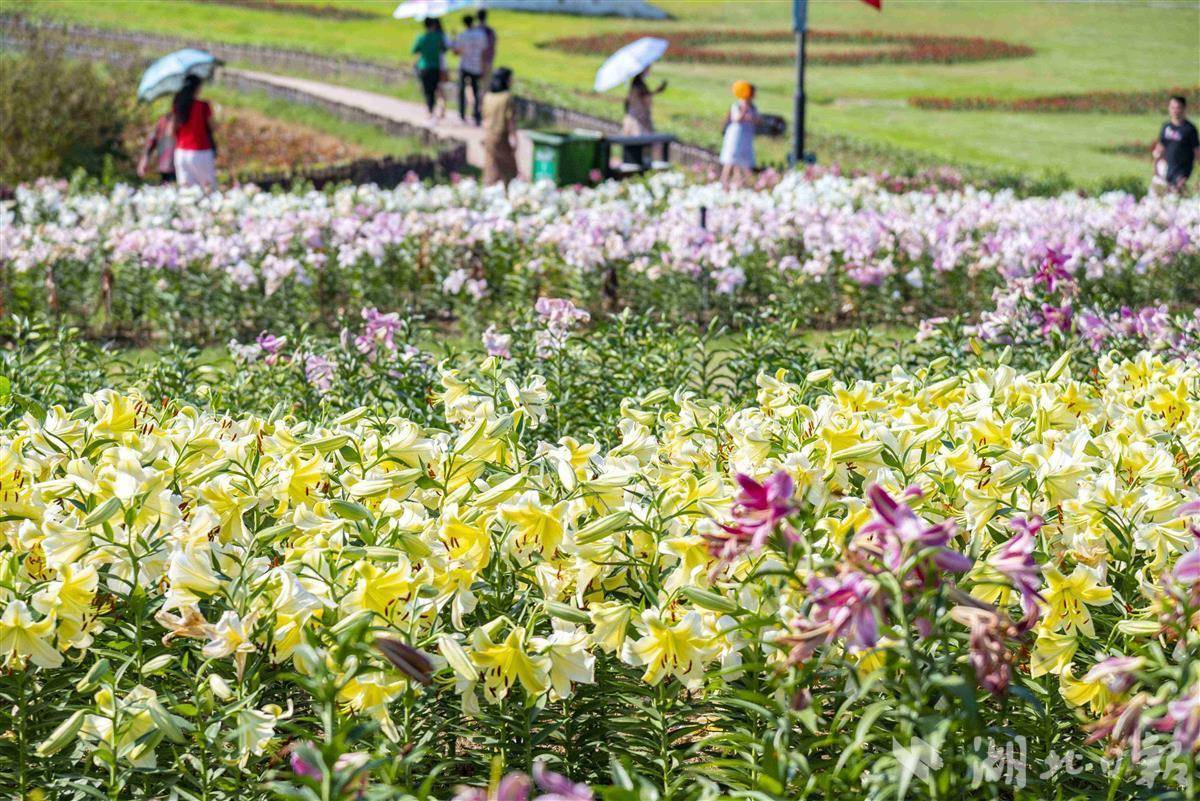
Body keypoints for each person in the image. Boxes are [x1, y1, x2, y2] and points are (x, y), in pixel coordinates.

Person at [171, 75, 217, 190]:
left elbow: (172, 129)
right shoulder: (203, 106)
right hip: (200, 151)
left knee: (186, 192)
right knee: (208, 189)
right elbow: (213, 127)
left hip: (181, 152)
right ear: (197, 88)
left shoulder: (178, 105)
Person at [1153, 95, 1199, 192]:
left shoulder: (1189, 129)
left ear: (1183, 109)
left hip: (1183, 168)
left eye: (1177, 108)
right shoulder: (1166, 127)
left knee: (1179, 190)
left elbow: (1197, 151)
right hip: (1168, 167)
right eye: (1172, 108)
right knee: (1165, 193)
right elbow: (1161, 146)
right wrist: (1156, 166)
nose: (1175, 110)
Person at [481, 67, 517, 186]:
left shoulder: (488, 96)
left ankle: (489, 189)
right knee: (508, 169)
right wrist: (514, 138)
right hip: (501, 136)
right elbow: (509, 119)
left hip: (488, 135)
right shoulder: (507, 97)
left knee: (491, 166)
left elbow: (484, 117)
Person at [720, 81, 758, 188]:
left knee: (744, 160)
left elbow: (758, 120)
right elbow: (736, 119)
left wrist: (752, 118)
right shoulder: (737, 105)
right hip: (736, 136)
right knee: (731, 158)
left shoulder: (753, 107)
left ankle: (741, 182)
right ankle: (724, 182)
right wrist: (744, 111)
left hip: (746, 136)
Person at [452, 14, 488, 125]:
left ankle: (462, 114)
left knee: (462, 90)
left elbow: (456, 52)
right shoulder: (481, 35)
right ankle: (477, 116)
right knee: (476, 92)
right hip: (477, 66)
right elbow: (484, 52)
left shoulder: (462, 35)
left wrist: (454, 39)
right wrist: (483, 68)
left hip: (465, 66)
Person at [412, 16, 447, 121]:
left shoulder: (421, 37)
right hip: (436, 67)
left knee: (427, 91)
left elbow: (414, 50)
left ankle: (430, 111)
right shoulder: (439, 37)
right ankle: (435, 110)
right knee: (436, 89)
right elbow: (444, 49)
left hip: (424, 67)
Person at [622, 67, 666, 136]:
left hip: (635, 116)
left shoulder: (636, 83)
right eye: (647, 68)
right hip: (639, 118)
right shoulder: (639, 85)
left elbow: (645, 95)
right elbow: (645, 97)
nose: (649, 70)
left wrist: (657, 91)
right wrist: (657, 91)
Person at [137, 112, 176, 184]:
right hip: (167, 167)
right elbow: (152, 140)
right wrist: (144, 159)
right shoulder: (164, 121)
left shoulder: (166, 120)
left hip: (179, 166)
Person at [478, 9, 496, 98]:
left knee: (475, 85)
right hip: (488, 60)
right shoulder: (490, 31)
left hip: (477, 61)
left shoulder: (476, 30)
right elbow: (493, 46)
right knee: (486, 86)